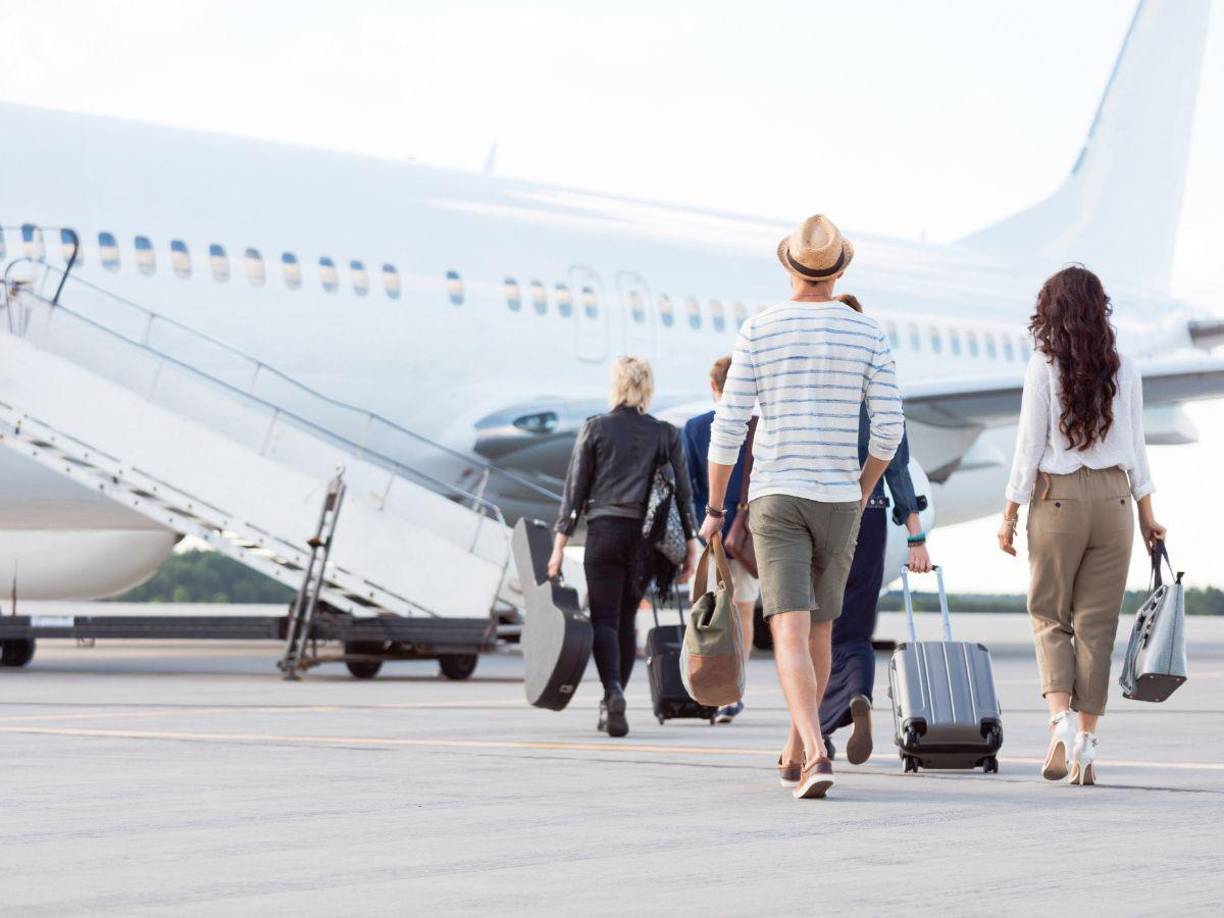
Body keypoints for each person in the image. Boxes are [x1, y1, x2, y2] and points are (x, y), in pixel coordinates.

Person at [702, 214, 902, 799]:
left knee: (786, 628)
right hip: (839, 499)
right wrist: (863, 488)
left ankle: (815, 752)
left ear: (789, 266)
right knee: (820, 630)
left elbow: (728, 426)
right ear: (840, 270)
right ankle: (796, 747)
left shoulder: (759, 330)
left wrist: (716, 507)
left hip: (778, 496)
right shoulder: (868, 334)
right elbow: (888, 430)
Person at [998, 265, 1165, 786]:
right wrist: (1147, 515)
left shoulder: (1043, 365)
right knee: (1098, 626)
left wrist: (1009, 513)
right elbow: (1137, 447)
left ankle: (1060, 723)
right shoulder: (1126, 367)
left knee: (1049, 614)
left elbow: (1028, 446)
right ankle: (1087, 746)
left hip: (1059, 499)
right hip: (1115, 500)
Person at [549, 356, 700, 738]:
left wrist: (558, 547)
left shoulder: (594, 429)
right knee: (626, 618)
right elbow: (684, 493)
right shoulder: (665, 433)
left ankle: (611, 692)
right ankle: (616, 695)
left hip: (603, 531)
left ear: (616, 386)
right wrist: (691, 545)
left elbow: (574, 492)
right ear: (647, 388)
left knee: (602, 618)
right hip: (643, 540)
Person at [818, 292, 930, 765]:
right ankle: (856, 695)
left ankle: (817, 730)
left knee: (813, 630)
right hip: (869, 513)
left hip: (819, 512)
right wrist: (916, 534)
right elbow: (898, 463)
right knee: (856, 633)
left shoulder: (816, 384)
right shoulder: (879, 385)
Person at [683, 356, 760, 724]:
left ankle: (706, 686)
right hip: (748, 536)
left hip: (709, 532)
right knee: (742, 612)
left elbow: (688, 488)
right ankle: (734, 691)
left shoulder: (695, 429)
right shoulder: (759, 428)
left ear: (713, 387)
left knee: (706, 613)